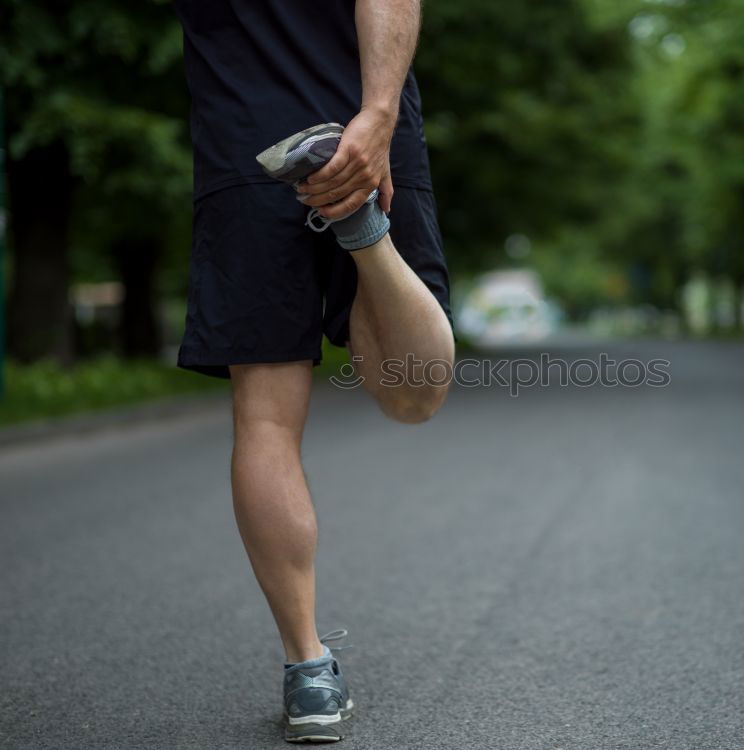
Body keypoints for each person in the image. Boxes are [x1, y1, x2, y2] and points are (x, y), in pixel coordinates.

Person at [172, 0, 455, 742]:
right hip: (363, 115)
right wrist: (380, 114)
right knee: (413, 395)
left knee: (264, 417)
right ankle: (361, 222)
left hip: (246, 141)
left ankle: (309, 671)